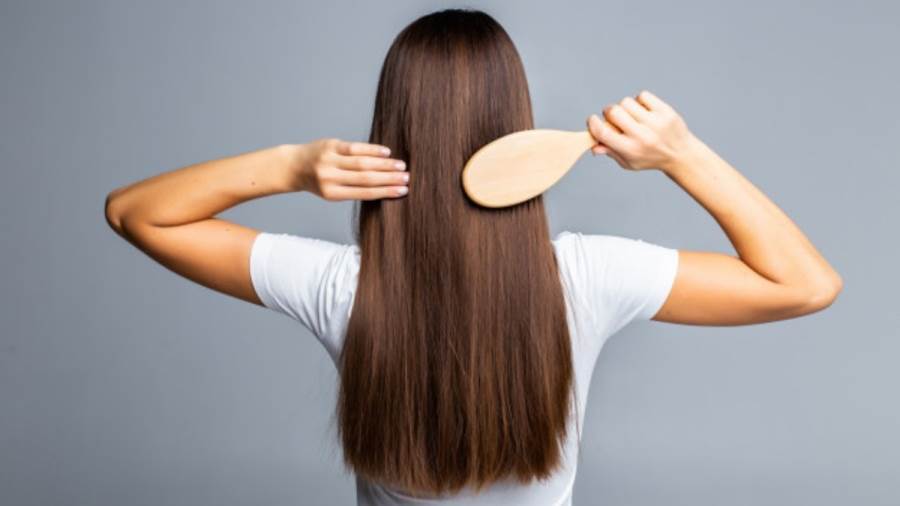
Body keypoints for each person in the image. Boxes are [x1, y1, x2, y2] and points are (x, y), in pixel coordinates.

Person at [103, 8, 842, 506]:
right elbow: (805, 285)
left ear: (392, 127)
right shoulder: (586, 278)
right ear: (513, 121)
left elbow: (135, 214)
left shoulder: (342, 287)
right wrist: (683, 154)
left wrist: (290, 166)